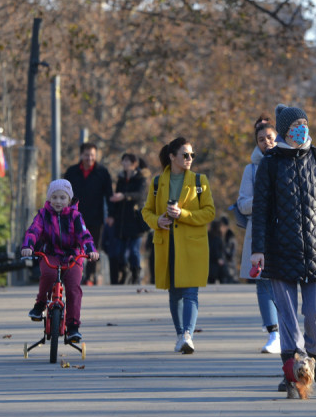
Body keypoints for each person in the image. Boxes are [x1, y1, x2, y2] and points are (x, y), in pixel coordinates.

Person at [251, 103, 316, 399]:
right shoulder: (270, 163)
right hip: (280, 251)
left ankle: (315, 352)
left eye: (304, 123)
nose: (301, 129)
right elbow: (261, 209)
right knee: (288, 318)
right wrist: (258, 250)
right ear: (284, 131)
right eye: (296, 125)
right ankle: (293, 373)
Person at [141, 137, 216, 354]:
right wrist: (157, 221)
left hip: (193, 245)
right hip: (168, 244)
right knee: (175, 293)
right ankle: (179, 334)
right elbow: (147, 211)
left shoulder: (200, 181)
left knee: (191, 291)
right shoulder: (157, 183)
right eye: (185, 155)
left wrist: (183, 214)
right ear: (172, 157)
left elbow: (209, 212)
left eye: (192, 155)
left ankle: (187, 335)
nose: (189, 159)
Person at [21, 179, 100, 343]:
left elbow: (84, 235)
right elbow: (34, 230)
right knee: (48, 274)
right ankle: (40, 304)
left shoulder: (75, 216)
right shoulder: (43, 214)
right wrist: (28, 245)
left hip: (72, 256)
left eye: (62, 198)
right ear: (49, 199)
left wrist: (91, 250)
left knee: (73, 288)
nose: (58, 201)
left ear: (69, 200)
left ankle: (73, 327)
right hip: (51, 254)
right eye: (54, 197)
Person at [236, 117, 281, 355]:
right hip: (260, 232)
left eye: (270, 138)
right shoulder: (251, 169)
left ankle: (287, 329)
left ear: (278, 138)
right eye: (261, 140)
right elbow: (243, 204)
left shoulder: (288, 163)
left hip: (284, 232)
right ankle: (273, 333)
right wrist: (263, 202)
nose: (266, 143)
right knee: (263, 283)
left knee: (284, 282)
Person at [63, 142, 114, 285]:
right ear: (81, 155)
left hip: (95, 217)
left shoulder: (102, 173)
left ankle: (90, 277)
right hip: (73, 217)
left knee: (92, 247)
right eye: (86, 155)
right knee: (73, 246)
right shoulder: (71, 172)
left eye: (92, 155)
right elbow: (64, 193)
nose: (89, 158)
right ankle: (73, 274)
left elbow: (109, 195)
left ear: (96, 156)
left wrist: (110, 214)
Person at [107, 153, 149, 285]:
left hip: (136, 221)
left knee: (134, 251)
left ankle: (136, 274)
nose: (124, 164)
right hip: (122, 222)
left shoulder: (141, 179)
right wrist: (111, 215)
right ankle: (124, 271)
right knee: (120, 252)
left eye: (127, 161)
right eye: (123, 161)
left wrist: (124, 196)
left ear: (134, 164)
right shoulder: (121, 179)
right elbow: (115, 201)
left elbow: (140, 195)